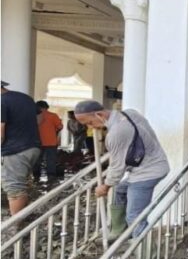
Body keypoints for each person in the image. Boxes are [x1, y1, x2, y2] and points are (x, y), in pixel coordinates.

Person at [74, 100, 169, 240]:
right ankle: (119, 231)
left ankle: (146, 251)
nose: (90, 127)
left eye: (90, 122)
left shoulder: (116, 133)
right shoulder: (129, 113)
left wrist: (105, 187)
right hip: (153, 162)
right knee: (120, 190)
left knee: (135, 216)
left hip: (147, 173)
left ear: (100, 114)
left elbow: (117, 168)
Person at [1, 81, 41, 215]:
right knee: (23, 184)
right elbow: (39, 119)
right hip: (33, 147)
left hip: (14, 150)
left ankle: (15, 224)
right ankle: (24, 217)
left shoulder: (1, 101)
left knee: (14, 188)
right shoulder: (25, 98)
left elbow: (0, 131)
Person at [34, 100, 63, 182]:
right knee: (51, 160)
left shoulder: (33, 116)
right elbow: (60, 127)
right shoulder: (53, 115)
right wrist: (54, 131)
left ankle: (36, 177)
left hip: (37, 142)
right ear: (46, 107)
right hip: (51, 142)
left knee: (37, 160)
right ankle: (51, 177)